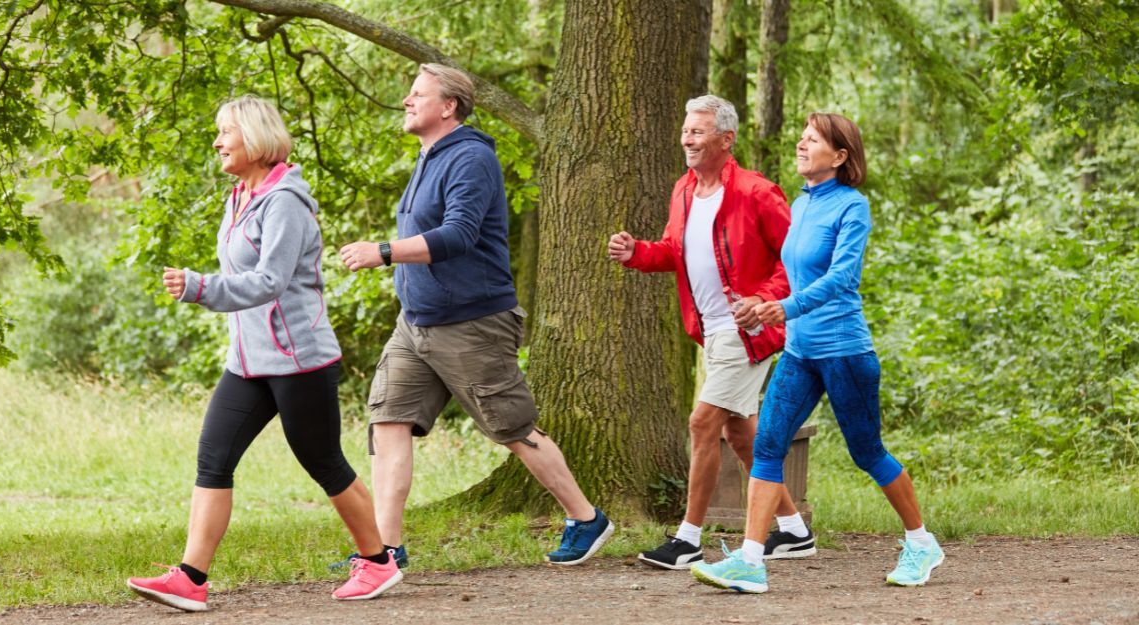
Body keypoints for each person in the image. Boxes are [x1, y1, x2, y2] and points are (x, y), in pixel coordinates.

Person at [126, 96, 401, 612]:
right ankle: (190, 578)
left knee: (323, 462)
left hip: (299, 359)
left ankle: (379, 562)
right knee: (214, 457)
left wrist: (200, 287)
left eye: (225, 132)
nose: (217, 142)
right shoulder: (241, 197)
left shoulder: (285, 203)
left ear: (253, 137)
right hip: (248, 362)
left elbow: (270, 281)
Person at [338, 64, 613, 567]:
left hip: (472, 323)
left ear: (448, 106)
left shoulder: (470, 157)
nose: (406, 99)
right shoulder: (429, 156)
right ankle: (385, 552)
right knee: (388, 422)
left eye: (417, 93)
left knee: (512, 427)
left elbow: (460, 234)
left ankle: (586, 517)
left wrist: (384, 251)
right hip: (416, 322)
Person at [691, 113, 945, 593]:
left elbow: (843, 278)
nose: (802, 145)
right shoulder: (802, 204)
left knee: (866, 451)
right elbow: (791, 273)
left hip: (844, 350)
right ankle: (750, 561)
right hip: (800, 351)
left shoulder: (853, 207)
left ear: (841, 156)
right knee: (767, 445)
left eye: (813, 139)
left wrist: (783, 308)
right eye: (802, 138)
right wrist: (761, 303)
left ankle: (921, 541)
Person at [608, 95, 814, 570]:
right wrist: (637, 252)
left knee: (702, 423)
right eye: (686, 131)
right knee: (741, 436)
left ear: (726, 139)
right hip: (711, 333)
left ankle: (688, 538)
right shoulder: (683, 189)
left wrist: (765, 302)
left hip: (749, 332)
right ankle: (795, 531)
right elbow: (673, 250)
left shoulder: (757, 192)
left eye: (698, 132)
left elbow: (797, 260)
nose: (687, 139)